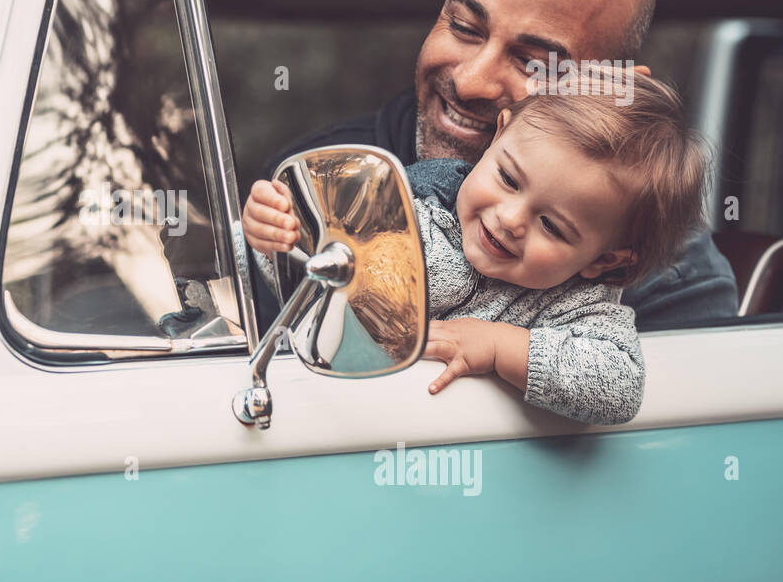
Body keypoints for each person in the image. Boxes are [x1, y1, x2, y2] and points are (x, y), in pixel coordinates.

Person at [242, 0, 739, 332]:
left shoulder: (674, 281)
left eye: (534, 62)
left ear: (612, 90)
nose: (471, 82)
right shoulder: (325, 175)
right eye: (463, 27)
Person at [253, 70, 708, 424]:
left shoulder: (577, 307)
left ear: (605, 259)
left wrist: (497, 346)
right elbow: (317, 284)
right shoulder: (407, 216)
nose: (509, 220)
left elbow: (618, 387)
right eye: (508, 179)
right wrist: (274, 236)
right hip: (333, 417)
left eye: (552, 225)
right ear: (498, 135)